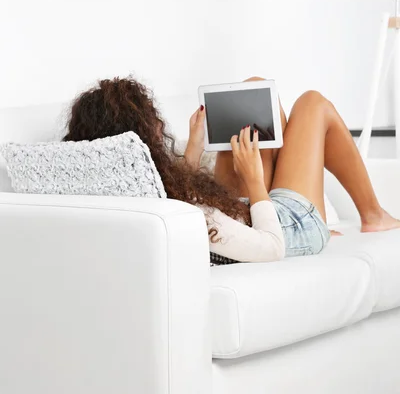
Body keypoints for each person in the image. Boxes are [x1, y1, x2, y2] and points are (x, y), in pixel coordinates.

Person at [64, 75, 400, 266]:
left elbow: (175, 195)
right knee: (313, 104)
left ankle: (332, 205)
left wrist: (195, 146)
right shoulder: (201, 221)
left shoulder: (128, 184)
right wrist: (255, 182)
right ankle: (373, 215)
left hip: (244, 213)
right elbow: (272, 247)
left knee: (254, 92)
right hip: (284, 227)